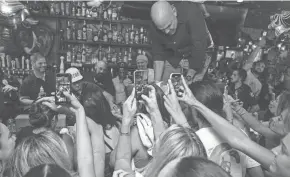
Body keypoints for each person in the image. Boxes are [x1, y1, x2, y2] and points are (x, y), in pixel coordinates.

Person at [176, 75, 290, 177]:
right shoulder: (278, 161)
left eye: (284, 151)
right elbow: (241, 141)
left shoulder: (199, 140)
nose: (274, 151)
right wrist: (195, 103)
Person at [150, 1, 207, 83]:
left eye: (169, 25)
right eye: (162, 30)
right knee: (165, 87)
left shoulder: (192, 13)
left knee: (193, 89)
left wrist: (188, 77)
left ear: (174, 12)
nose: (166, 32)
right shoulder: (155, 24)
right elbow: (158, 55)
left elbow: (199, 48)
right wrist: (157, 84)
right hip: (174, 57)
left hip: (197, 54)